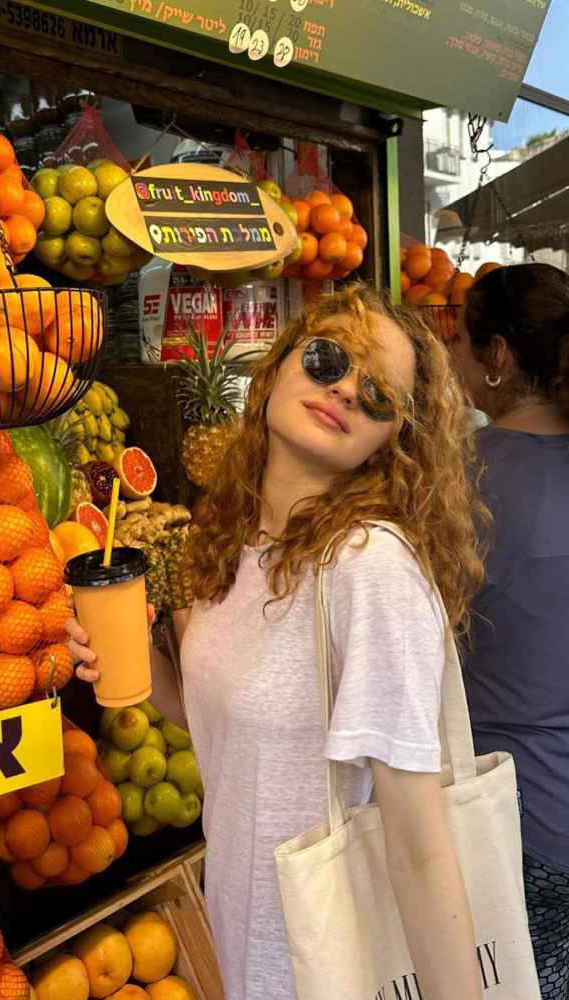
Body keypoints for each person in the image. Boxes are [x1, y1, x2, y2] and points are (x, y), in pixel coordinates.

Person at [68, 285, 488, 1000]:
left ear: (394, 439)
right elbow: (220, 734)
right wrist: (121, 659)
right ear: (282, 363)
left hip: (330, 967)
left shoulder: (368, 568)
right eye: (329, 359)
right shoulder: (233, 543)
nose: (348, 391)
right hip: (247, 943)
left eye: (380, 395)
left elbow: (420, 849)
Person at [450, 262, 569, 999]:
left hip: (509, 819)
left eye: (463, 344)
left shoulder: (452, 477)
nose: (458, 361)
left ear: (496, 356)